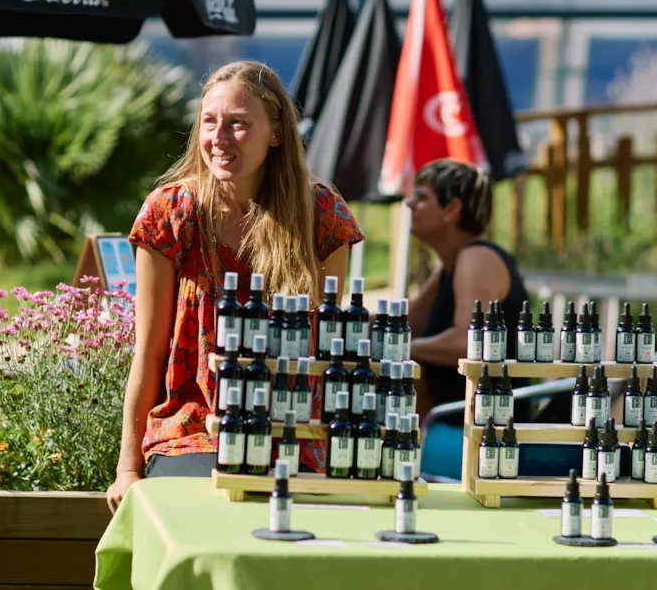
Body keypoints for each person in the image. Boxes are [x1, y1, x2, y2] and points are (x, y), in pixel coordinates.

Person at [106, 61, 362, 513]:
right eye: (209, 121)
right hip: (192, 432)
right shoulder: (170, 214)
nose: (218, 139)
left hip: (293, 430)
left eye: (238, 124)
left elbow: (329, 347)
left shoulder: (322, 215)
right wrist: (127, 468)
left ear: (277, 133)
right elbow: (148, 350)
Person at [405, 159, 531, 417]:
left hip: (486, 432)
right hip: (452, 417)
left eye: (421, 197)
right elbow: (407, 323)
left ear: (451, 209)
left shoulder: (477, 258)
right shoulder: (450, 264)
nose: (409, 203)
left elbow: (468, 343)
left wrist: (401, 347)